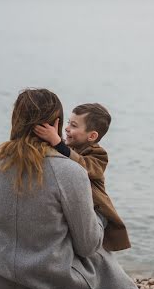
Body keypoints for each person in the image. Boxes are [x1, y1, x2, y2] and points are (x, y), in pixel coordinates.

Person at [0, 88, 138, 289]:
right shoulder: (71, 171)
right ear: (56, 123)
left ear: (16, 121)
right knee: (101, 255)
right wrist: (101, 217)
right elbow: (87, 246)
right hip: (54, 283)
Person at [34, 103, 131, 252]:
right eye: (68, 123)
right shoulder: (67, 147)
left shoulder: (98, 155)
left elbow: (82, 166)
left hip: (96, 210)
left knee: (87, 245)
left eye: (73, 125)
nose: (67, 128)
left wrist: (58, 142)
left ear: (91, 136)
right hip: (77, 207)